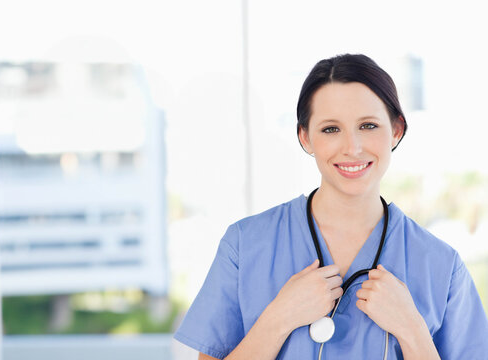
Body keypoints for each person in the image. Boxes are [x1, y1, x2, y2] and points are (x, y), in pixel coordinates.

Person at [173, 54, 488, 359]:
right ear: (305, 137)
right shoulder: (244, 245)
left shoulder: (441, 266)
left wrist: (412, 329)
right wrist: (278, 319)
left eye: (368, 126)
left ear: (396, 130)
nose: (352, 147)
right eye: (330, 129)